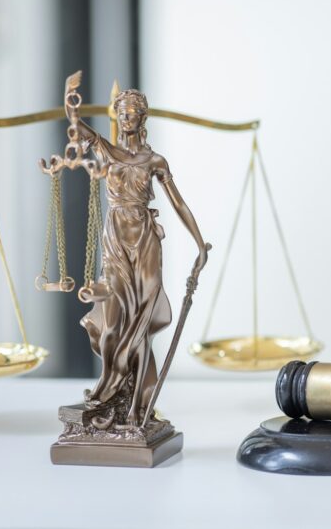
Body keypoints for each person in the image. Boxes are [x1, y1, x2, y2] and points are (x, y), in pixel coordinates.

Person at [64, 85, 208, 429]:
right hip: (115, 240)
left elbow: (178, 203)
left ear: (143, 117)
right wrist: (71, 104)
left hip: (145, 241)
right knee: (113, 321)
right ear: (117, 116)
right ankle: (108, 387)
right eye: (123, 111)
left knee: (141, 323)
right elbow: (74, 125)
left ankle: (137, 409)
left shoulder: (155, 160)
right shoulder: (105, 149)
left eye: (134, 111)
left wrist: (200, 245)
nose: (128, 117)